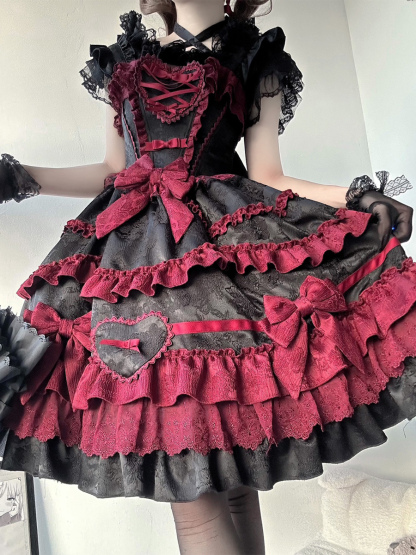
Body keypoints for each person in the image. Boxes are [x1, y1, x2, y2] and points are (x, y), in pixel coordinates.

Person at [0, 1, 415, 553]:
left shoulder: (255, 55)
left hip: (222, 256)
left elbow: (269, 175)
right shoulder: (122, 59)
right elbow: (113, 171)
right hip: (129, 263)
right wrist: (18, 177)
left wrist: (358, 197)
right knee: (196, 491)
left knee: (231, 487)